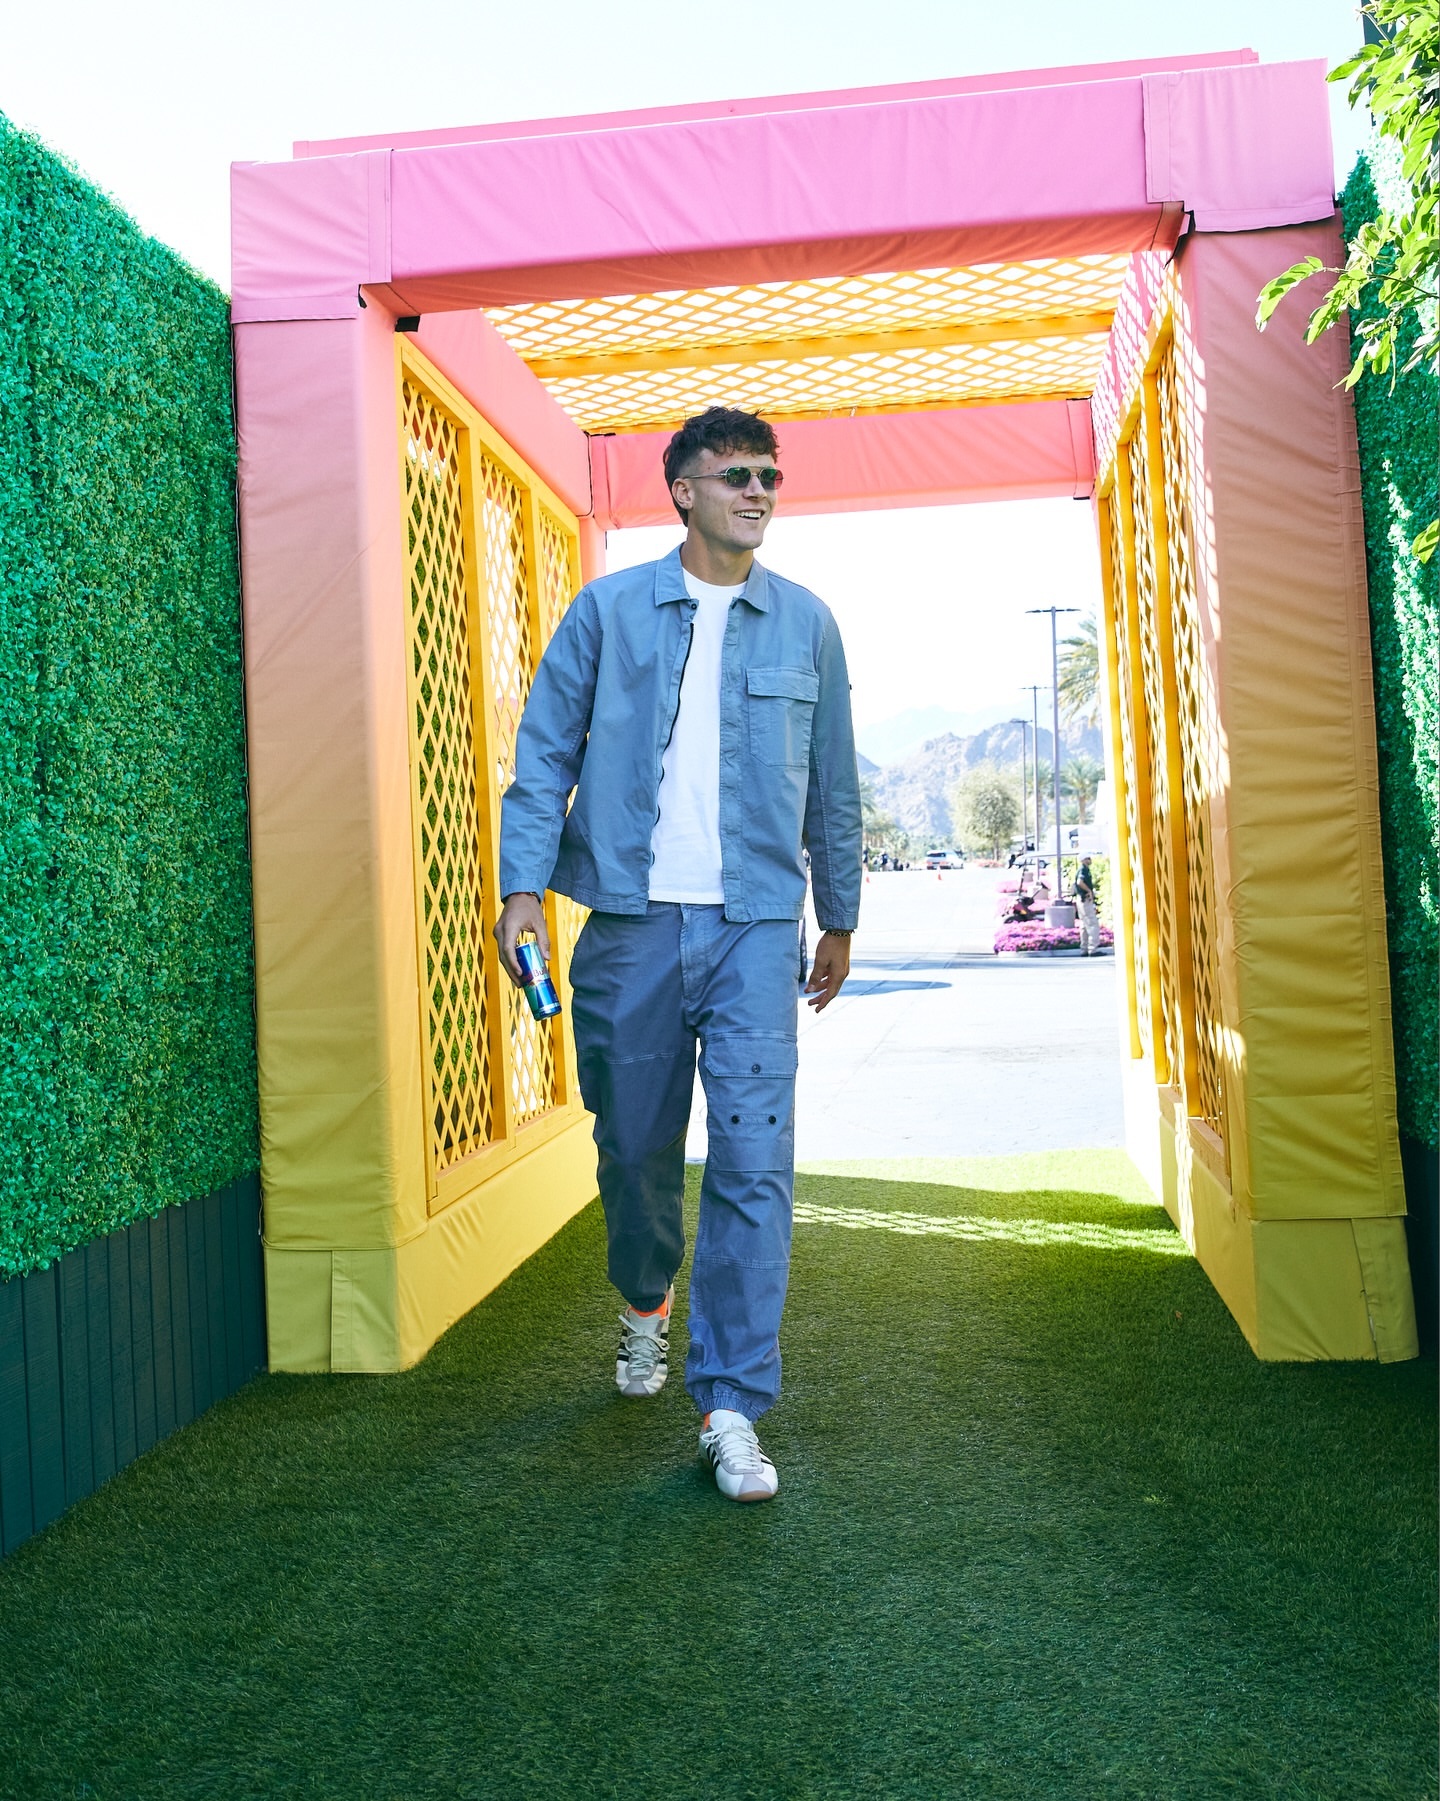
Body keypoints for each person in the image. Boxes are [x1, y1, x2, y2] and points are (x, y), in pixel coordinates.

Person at [495, 406, 862, 1504]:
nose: (758, 491)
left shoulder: (809, 624)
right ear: (683, 491)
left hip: (755, 930)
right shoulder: (607, 612)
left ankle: (732, 1406)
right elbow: (542, 755)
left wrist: (839, 915)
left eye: (770, 476)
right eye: (736, 473)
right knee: (634, 1150)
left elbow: (835, 782)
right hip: (631, 926)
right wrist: (521, 890)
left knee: (754, 1166)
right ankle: (645, 1297)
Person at [1074, 856, 1101, 955]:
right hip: (1085, 899)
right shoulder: (1083, 870)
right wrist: (1089, 891)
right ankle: (1093, 949)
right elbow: (1080, 882)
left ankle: (1084, 948)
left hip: (1080, 899)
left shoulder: (1081, 869)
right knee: (1092, 923)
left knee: (1084, 925)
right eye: (1088, 858)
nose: (1090, 860)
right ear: (1084, 860)